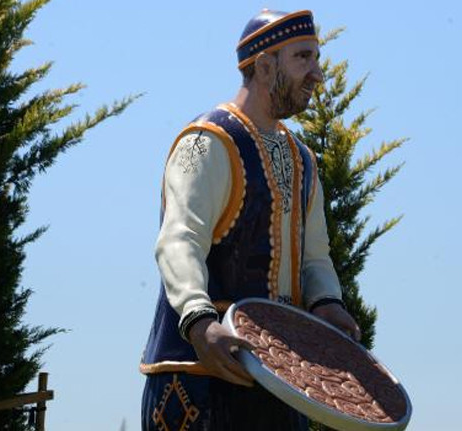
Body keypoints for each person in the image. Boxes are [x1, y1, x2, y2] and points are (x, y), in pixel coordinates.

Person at [140, 9, 361, 431]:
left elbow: (314, 257)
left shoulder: (303, 161)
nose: (317, 73)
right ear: (264, 66)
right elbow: (179, 239)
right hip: (200, 377)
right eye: (303, 58)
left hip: (283, 383)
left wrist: (327, 304)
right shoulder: (207, 143)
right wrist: (199, 322)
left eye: (316, 58)